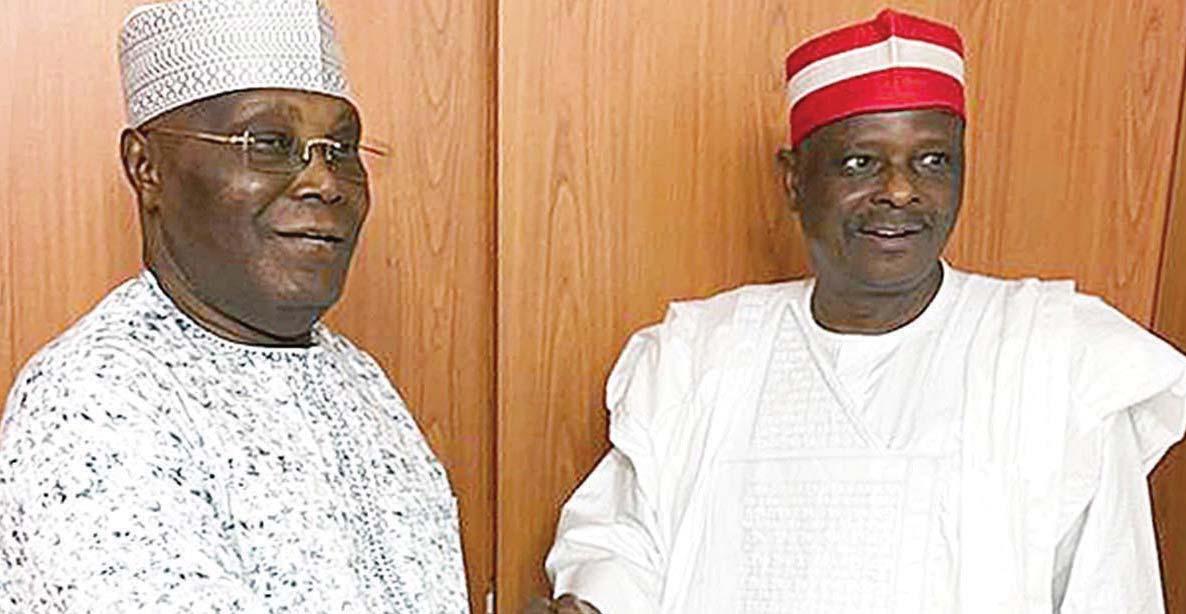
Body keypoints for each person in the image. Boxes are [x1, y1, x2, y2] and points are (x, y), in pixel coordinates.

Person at [537, 9, 1186, 614]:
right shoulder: (700, 355)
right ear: (794, 180)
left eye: (932, 161)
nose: (900, 191)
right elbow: (620, 543)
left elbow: (1112, 590)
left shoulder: (1053, 356)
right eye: (860, 163)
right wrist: (594, 603)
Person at [0, 1, 469, 612]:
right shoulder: (94, 398)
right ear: (146, 167)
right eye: (269, 143)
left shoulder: (360, 378)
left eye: (342, 148)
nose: (325, 181)